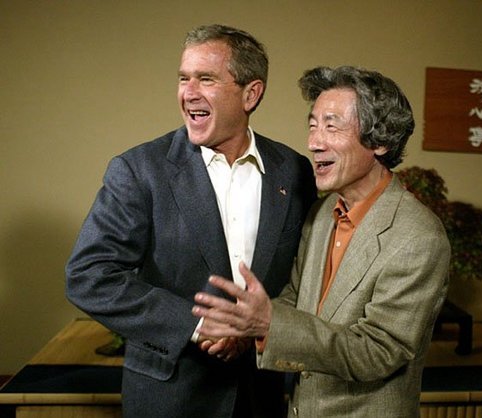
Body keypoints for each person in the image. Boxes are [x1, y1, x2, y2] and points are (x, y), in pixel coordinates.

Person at [65, 24, 317, 418]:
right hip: (168, 398)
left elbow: (302, 279)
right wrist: (197, 326)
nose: (189, 93)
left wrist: (256, 330)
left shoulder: (294, 172)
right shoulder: (139, 170)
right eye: (184, 78)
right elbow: (89, 275)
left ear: (251, 93)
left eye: (207, 79)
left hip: (260, 396)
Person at [192, 65, 451, 418]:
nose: (314, 142)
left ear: (381, 141)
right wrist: (244, 330)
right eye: (313, 125)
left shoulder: (418, 237)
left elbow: (377, 351)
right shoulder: (321, 212)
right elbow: (295, 300)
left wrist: (269, 324)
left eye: (332, 125)